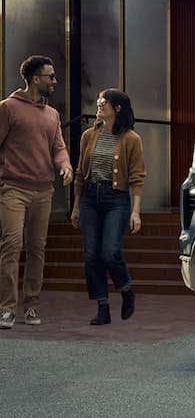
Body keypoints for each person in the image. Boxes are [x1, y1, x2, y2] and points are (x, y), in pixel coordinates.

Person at [0, 55, 74, 329]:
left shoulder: (52, 114)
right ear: (35, 79)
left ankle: (31, 305)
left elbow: (58, 147)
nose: (55, 81)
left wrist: (65, 166)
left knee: (37, 249)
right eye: (50, 76)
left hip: (43, 191)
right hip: (13, 189)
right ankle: (6, 308)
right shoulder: (8, 108)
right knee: (11, 245)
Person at [70, 89, 145, 325]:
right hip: (90, 198)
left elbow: (137, 177)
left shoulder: (132, 139)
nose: (99, 105)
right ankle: (102, 307)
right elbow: (81, 174)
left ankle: (126, 290)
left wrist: (136, 211)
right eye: (100, 101)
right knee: (91, 255)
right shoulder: (87, 136)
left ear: (117, 108)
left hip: (117, 200)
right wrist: (76, 207)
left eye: (104, 102)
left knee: (110, 252)